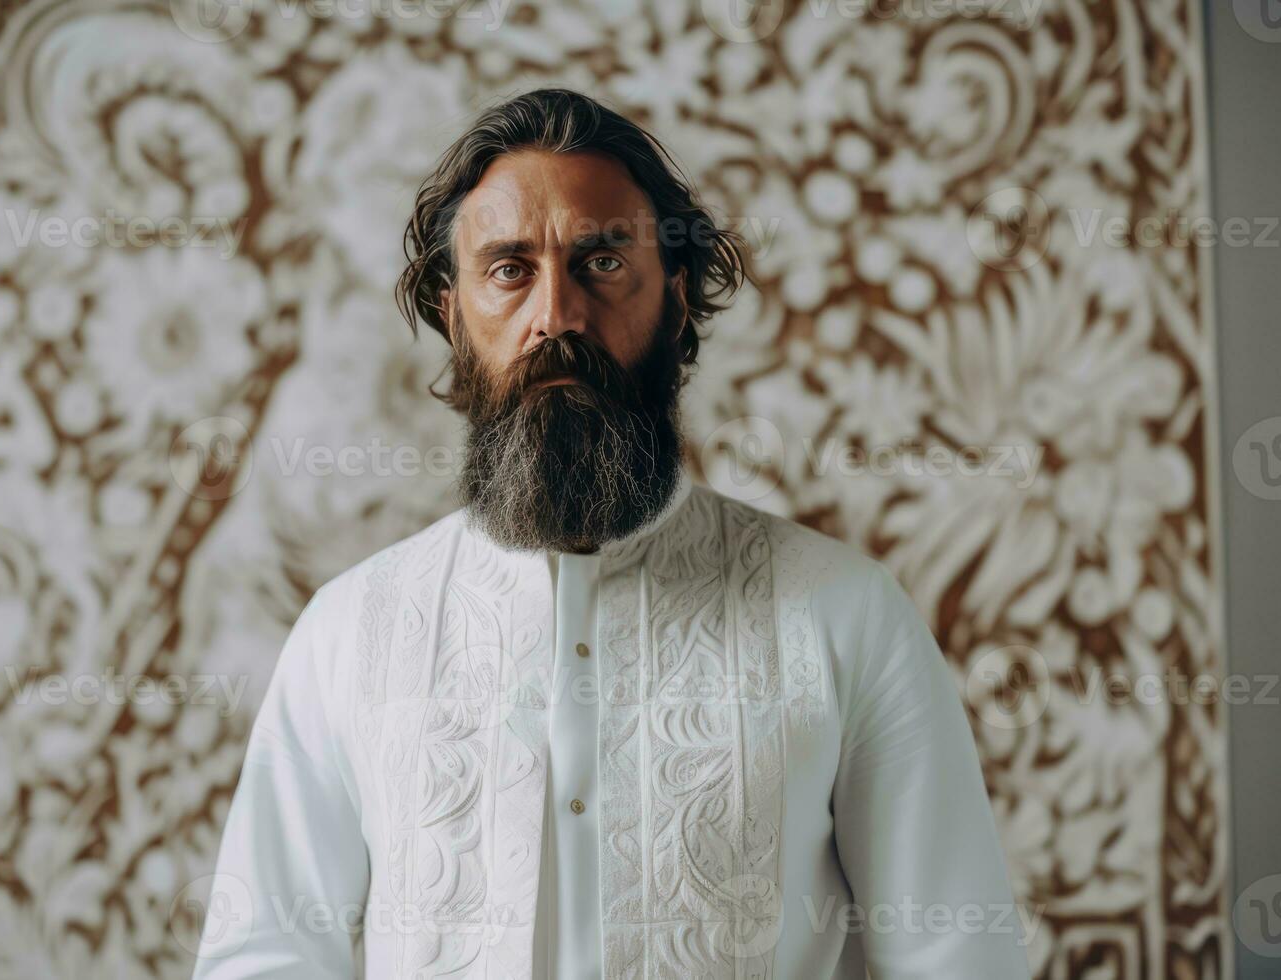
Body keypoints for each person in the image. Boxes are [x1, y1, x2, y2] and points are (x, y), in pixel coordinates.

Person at [191, 88, 1031, 979]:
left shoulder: (848, 618)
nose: (557, 314)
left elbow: (958, 958)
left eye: (599, 262)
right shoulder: (350, 631)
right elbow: (265, 957)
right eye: (510, 269)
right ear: (452, 313)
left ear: (674, 298)